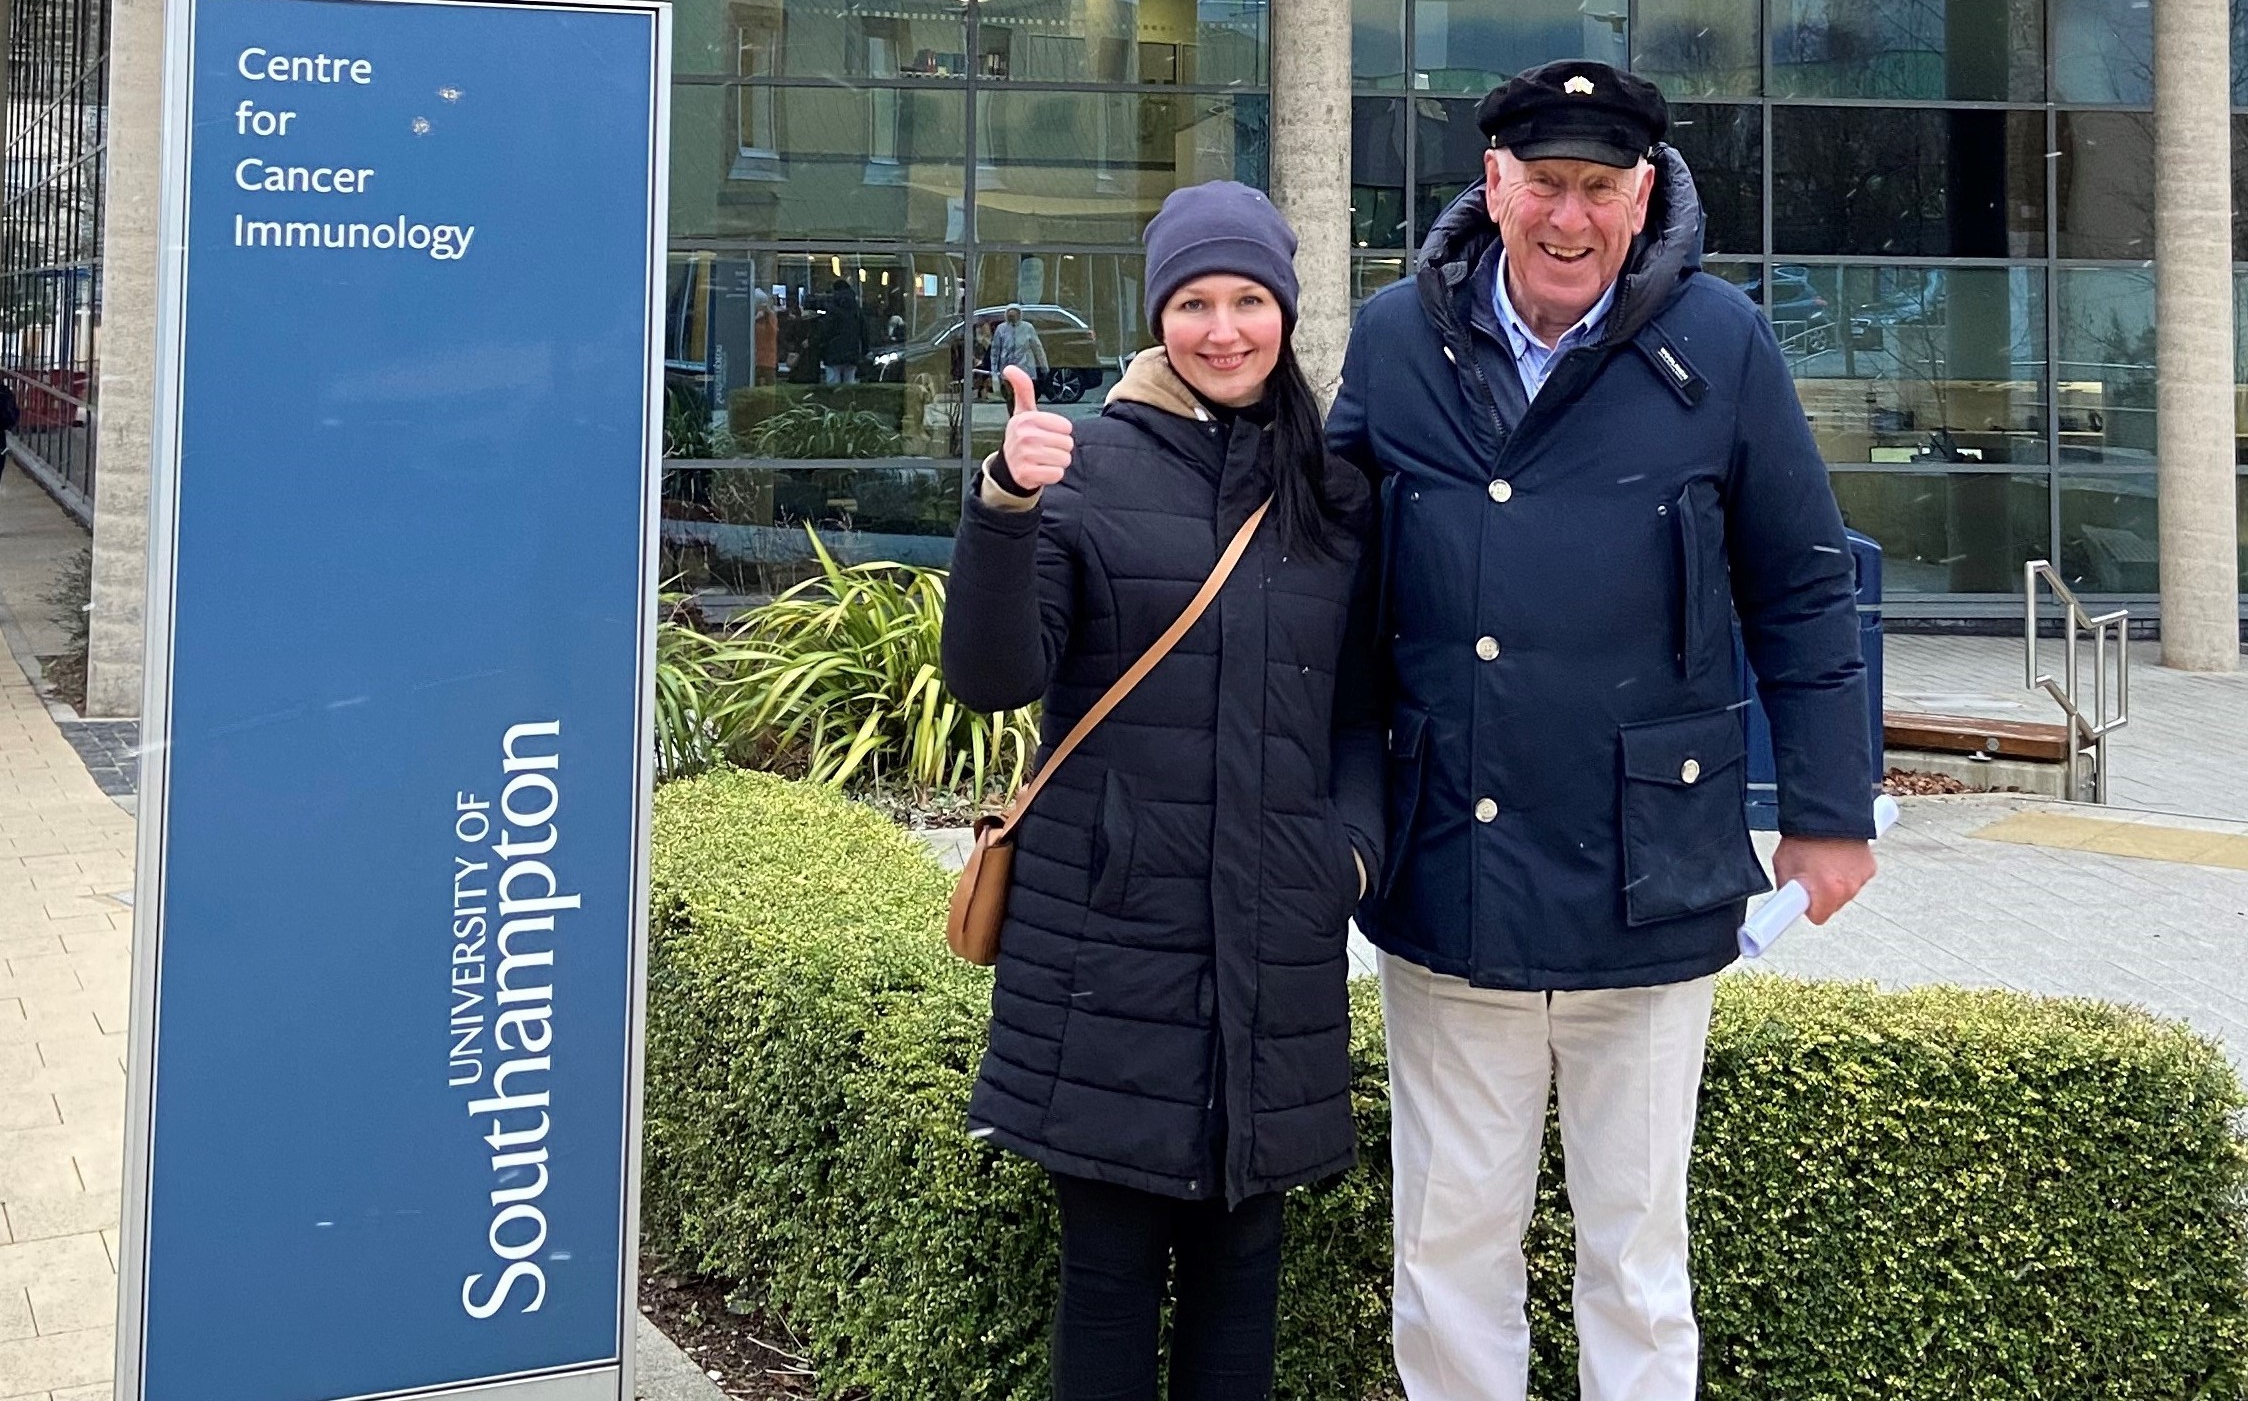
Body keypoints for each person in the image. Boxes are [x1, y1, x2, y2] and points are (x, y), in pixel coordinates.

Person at [1328, 61, 1879, 1401]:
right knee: (1450, 1241)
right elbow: (1326, 564)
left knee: (1635, 1251)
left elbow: (1803, 580)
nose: (1567, 219)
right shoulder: (1397, 333)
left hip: (1652, 867)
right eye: (1544, 185)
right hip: (1450, 853)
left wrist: (1828, 811)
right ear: (1493, 184)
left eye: (1597, 189)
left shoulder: (1726, 342)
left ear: (1641, 198)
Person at [942, 181, 1381, 1401]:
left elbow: (1360, 709)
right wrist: (1005, 505)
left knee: (1246, 1280)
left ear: (1285, 314)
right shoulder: (1081, 467)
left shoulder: (1334, 493)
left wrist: (1347, 857)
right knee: (1107, 1282)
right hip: (1106, 940)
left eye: (1250, 300)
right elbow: (991, 678)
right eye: (1195, 302)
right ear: (1158, 316)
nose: (1224, 328)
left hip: (1274, 941)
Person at [989, 303, 1050, 397]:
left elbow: (1038, 348)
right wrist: (994, 371)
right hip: (1007, 369)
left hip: (1026, 368)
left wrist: (1043, 366)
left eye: (1014, 316)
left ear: (1019, 315)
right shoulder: (1001, 329)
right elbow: (995, 351)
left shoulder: (1027, 328)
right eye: (1010, 316)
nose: (1012, 318)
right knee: (1010, 396)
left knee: (1024, 395)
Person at [820, 279, 866, 385]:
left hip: (833, 351)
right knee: (849, 381)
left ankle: (835, 401)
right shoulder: (856, 309)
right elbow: (864, 331)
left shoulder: (832, 308)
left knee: (833, 382)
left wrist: (822, 347)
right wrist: (864, 350)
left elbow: (826, 330)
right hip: (852, 351)